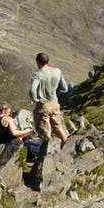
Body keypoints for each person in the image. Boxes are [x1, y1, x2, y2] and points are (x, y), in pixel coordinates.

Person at [27, 53, 69, 189]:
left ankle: (48, 162)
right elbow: (65, 88)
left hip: (43, 106)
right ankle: (67, 150)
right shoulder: (57, 71)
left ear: (37, 62)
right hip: (55, 103)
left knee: (46, 133)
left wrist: (36, 99)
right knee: (58, 127)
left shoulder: (37, 75)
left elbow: (33, 92)